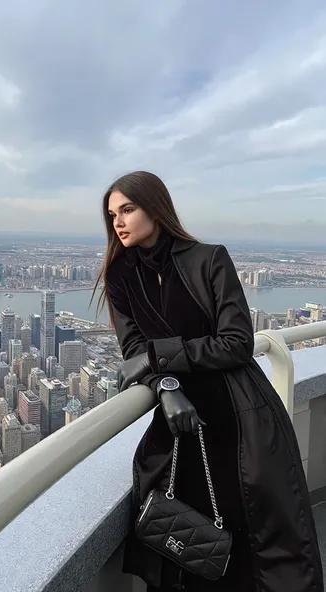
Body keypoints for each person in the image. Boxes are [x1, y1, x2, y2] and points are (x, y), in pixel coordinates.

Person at [91, 171, 323, 592]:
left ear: (155, 208)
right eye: (112, 215)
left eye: (127, 209)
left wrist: (158, 358)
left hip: (240, 416)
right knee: (193, 540)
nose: (118, 223)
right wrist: (166, 386)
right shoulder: (121, 275)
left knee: (252, 534)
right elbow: (133, 351)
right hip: (180, 418)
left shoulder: (209, 259)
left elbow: (235, 343)